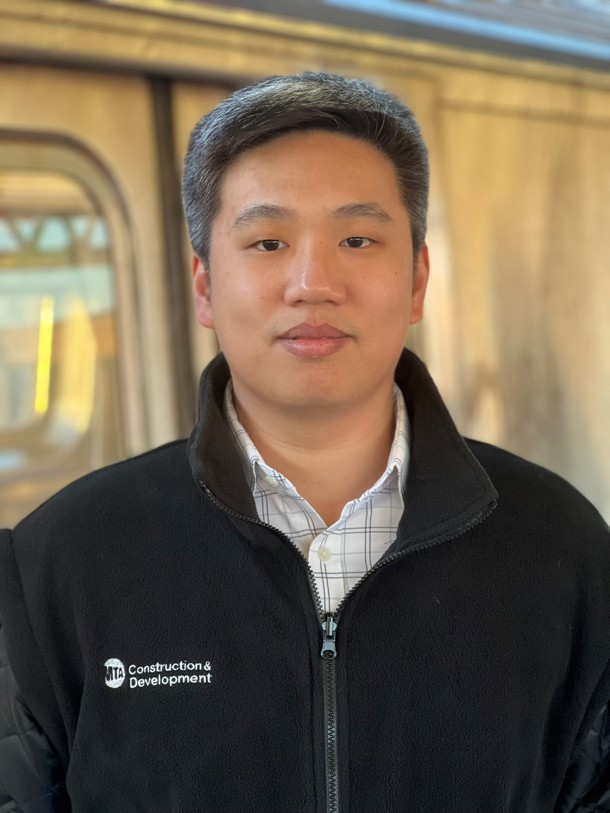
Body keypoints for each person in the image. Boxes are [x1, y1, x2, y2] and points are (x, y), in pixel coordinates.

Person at [0, 72, 608, 813]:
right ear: (204, 286)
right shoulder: (57, 563)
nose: (313, 282)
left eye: (357, 239)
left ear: (417, 280)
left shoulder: (562, 546)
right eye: (267, 241)